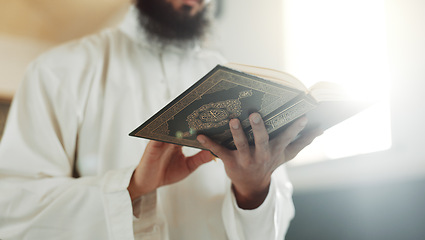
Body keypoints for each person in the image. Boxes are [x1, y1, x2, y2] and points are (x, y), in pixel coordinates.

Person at [0, 0, 322, 239]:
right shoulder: (58, 72)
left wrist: (253, 191)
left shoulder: (242, 86)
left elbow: (276, 224)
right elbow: (12, 211)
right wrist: (132, 188)